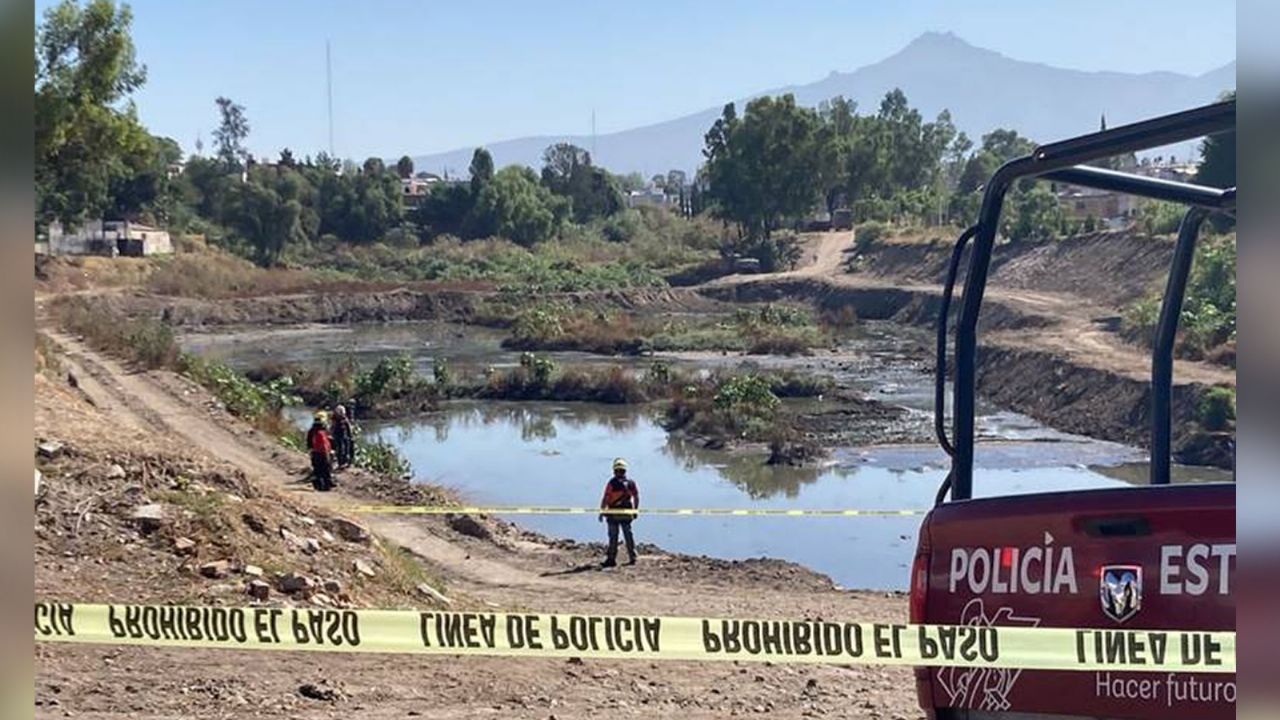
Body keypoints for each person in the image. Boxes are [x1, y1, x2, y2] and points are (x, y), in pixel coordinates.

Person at [598, 458, 639, 567]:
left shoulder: (611, 483)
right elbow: (636, 497)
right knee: (628, 535)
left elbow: (606, 498)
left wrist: (602, 511)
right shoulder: (631, 483)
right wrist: (635, 510)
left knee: (613, 537)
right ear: (625, 471)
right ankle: (633, 557)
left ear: (614, 471)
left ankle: (611, 560)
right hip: (626, 514)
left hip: (613, 514)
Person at [306, 410, 335, 491]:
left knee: (318, 469)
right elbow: (330, 441)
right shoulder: (323, 430)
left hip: (316, 452)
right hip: (323, 452)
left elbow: (309, 441)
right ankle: (326, 484)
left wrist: (310, 450)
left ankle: (321, 484)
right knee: (326, 468)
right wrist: (332, 450)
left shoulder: (313, 430)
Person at [331, 404, 355, 469]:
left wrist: (350, 436)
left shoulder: (344, 419)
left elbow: (348, 428)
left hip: (344, 436)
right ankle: (340, 463)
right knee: (340, 449)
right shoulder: (335, 420)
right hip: (338, 436)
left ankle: (345, 462)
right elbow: (332, 428)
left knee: (346, 449)